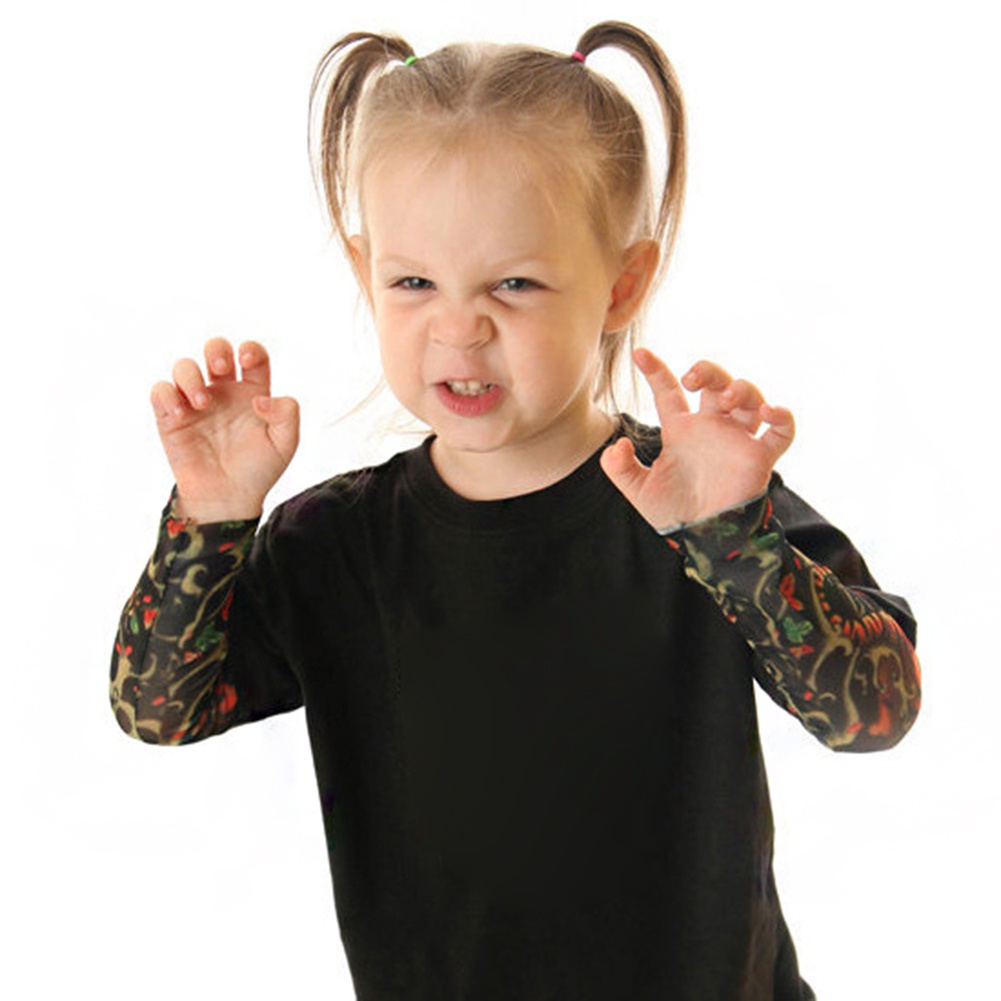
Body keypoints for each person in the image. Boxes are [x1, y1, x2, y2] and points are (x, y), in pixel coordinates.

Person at [110, 21, 921, 1000]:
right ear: (366, 272)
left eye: (514, 282)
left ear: (620, 283)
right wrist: (208, 517)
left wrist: (732, 542)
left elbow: (875, 711)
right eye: (413, 281)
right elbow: (159, 707)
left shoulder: (698, 503)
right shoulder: (335, 544)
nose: (459, 327)